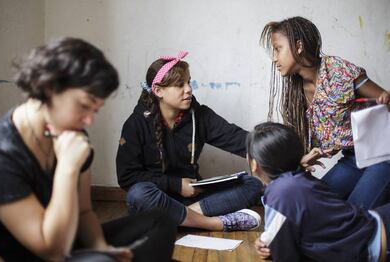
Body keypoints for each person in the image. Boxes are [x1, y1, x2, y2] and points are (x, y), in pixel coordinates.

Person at [0, 37, 176, 262]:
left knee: (161, 220)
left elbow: (83, 212)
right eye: (83, 106)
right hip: (30, 253)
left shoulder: (73, 132)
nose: (88, 120)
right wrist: (67, 168)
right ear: (49, 88)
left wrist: (101, 246)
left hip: (65, 237)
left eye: (95, 110)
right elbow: (51, 251)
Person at [116, 51, 263, 232]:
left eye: (188, 82)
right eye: (180, 85)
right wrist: (176, 185)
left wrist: (288, 155)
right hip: (156, 198)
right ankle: (214, 223)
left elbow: (238, 138)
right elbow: (127, 176)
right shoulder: (136, 124)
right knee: (138, 194)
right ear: (158, 91)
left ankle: (174, 219)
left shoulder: (200, 116)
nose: (189, 89)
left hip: (194, 199)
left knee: (252, 184)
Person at [260, 16, 390, 209]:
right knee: (313, 205)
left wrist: (385, 100)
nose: (274, 58)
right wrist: (302, 160)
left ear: (298, 46)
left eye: (278, 48)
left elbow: (385, 100)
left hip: (382, 156)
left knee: (350, 215)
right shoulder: (295, 92)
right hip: (352, 159)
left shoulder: (338, 71)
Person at [246, 122, 389, 262]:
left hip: (379, 241)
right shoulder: (299, 181)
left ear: (254, 164)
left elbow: (283, 254)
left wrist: (272, 244)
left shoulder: (281, 193)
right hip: (378, 225)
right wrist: (270, 240)